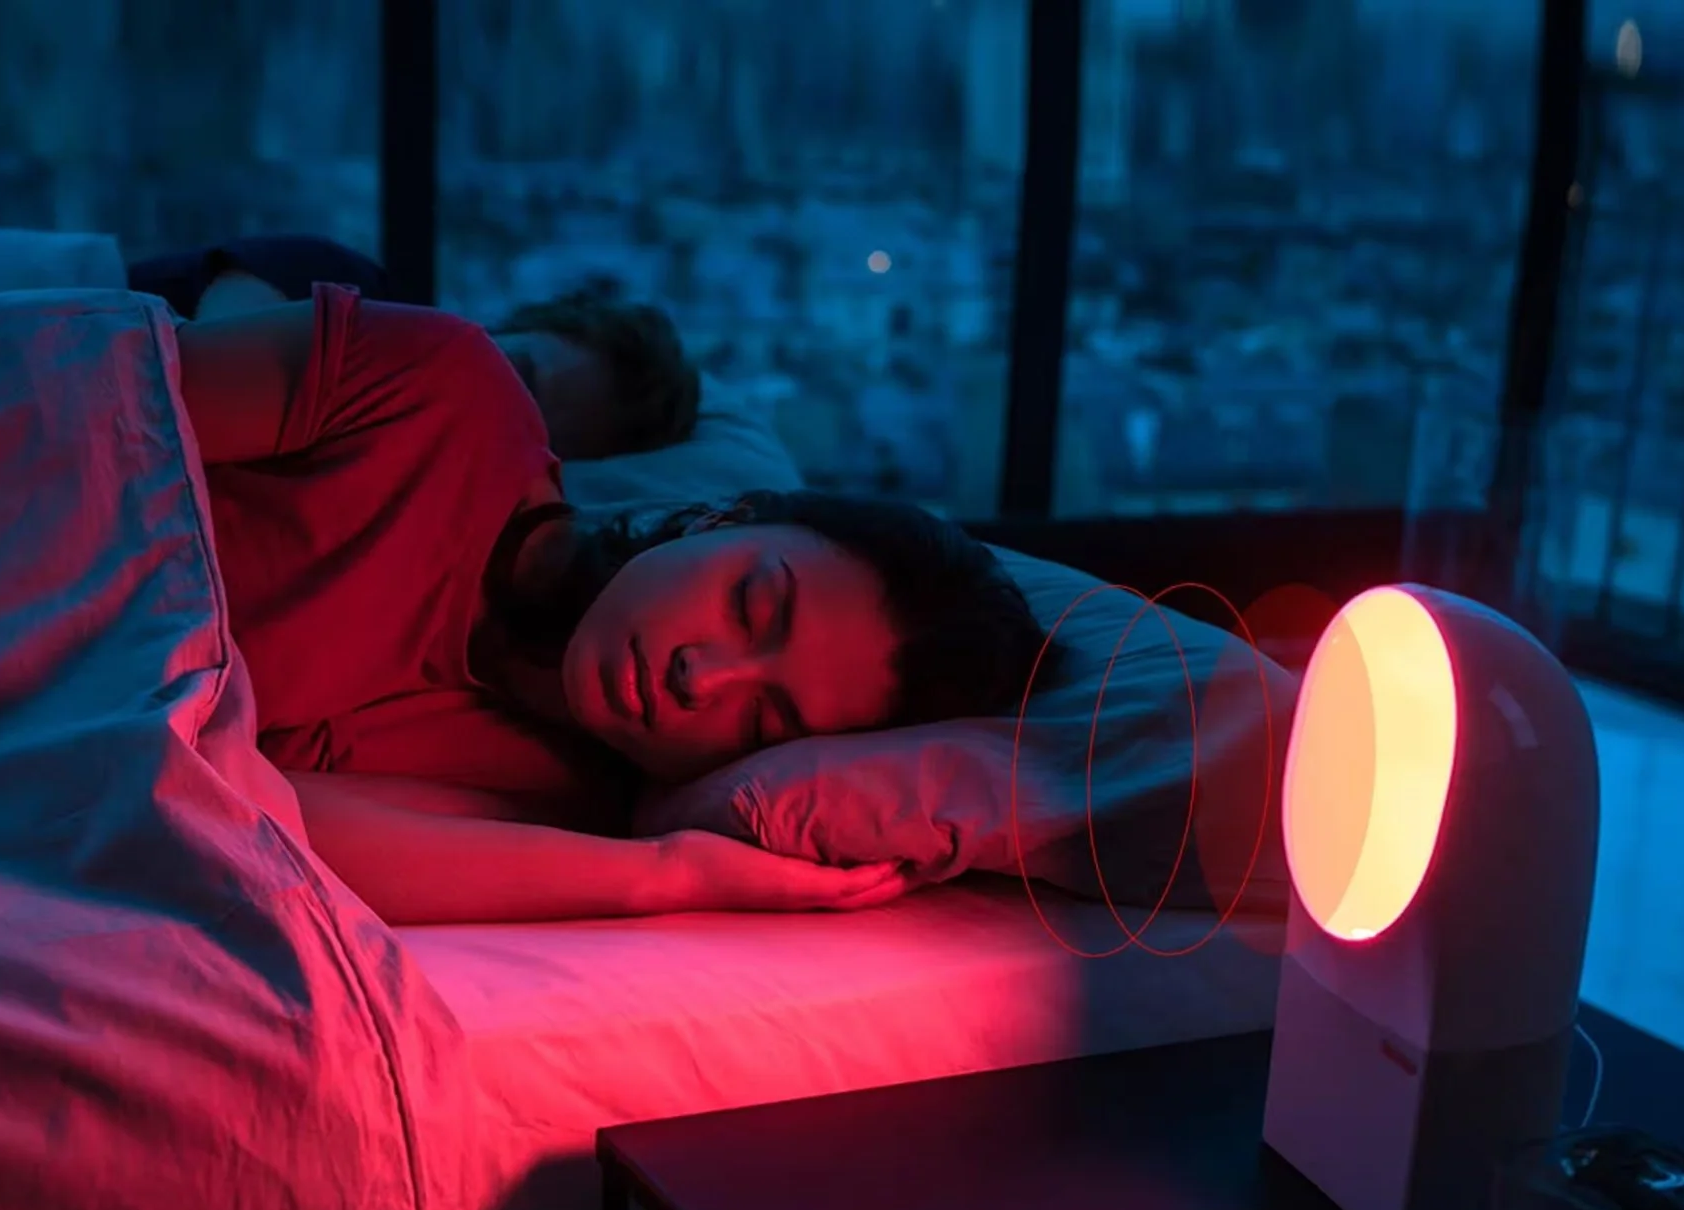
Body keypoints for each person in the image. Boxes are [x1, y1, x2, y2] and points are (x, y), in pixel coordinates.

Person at [171, 283, 1046, 925]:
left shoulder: (560, 795)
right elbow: (90, 411)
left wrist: (670, 873)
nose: (700, 678)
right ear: (719, 515)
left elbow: (272, 829)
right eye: (749, 604)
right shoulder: (443, 395)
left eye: (764, 724)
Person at [129, 233, 701, 460]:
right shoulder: (349, 291)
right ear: (514, 322)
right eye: (519, 373)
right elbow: (194, 382)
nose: (495, 404)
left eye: (528, 429)